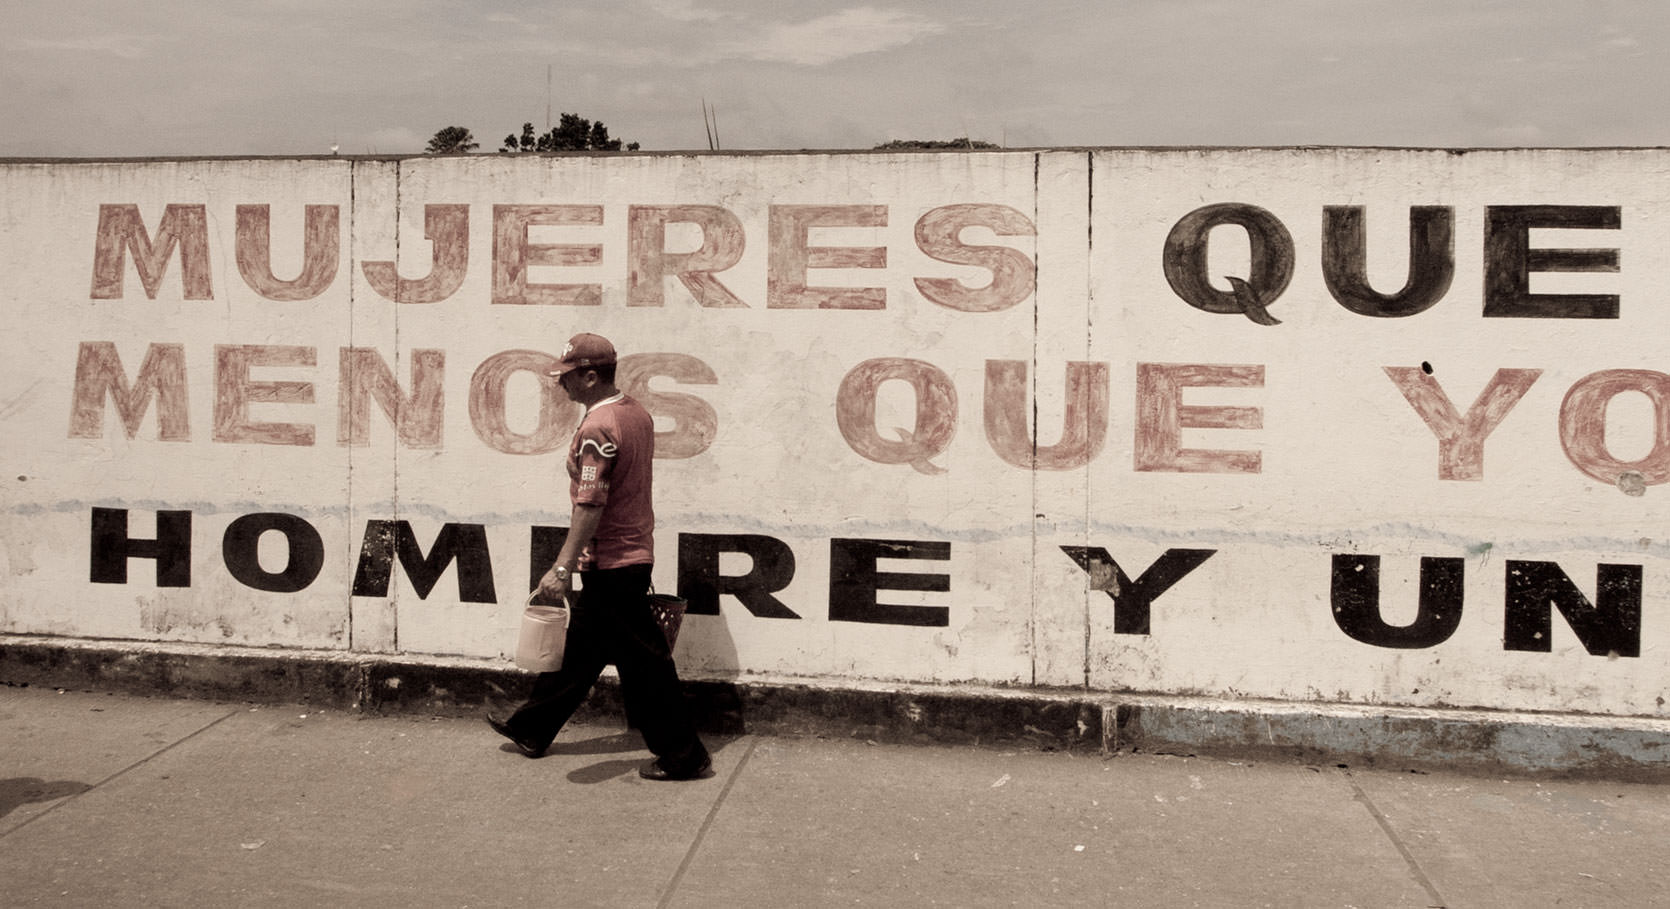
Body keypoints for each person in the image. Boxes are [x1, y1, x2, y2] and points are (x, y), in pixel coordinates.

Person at [487, 332, 711, 781]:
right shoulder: (636, 413)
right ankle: (532, 728)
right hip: (630, 554)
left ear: (590, 376)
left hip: (612, 561)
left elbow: (590, 504)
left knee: (646, 667)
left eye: (567, 376)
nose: (560, 385)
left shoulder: (598, 428)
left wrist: (562, 567)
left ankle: (685, 756)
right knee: (583, 652)